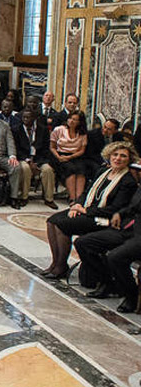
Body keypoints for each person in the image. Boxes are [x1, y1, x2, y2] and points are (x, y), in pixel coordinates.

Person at [45, 142, 139, 280]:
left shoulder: (127, 181)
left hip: (104, 218)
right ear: (109, 156)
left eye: (123, 156)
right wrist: (77, 204)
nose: (118, 158)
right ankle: (55, 263)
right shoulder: (102, 171)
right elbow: (86, 192)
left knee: (63, 224)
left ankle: (61, 266)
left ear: (129, 160)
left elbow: (114, 209)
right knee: (52, 221)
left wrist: (85, 211)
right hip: (87, 209)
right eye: (115, 155)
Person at [74, 159, 141, 313]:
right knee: (83, 243)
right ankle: (108, 281)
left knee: (116, 257)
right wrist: (119, 213)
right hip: (127, 229)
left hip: (138, 235)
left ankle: (131, 295)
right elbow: (133, 207)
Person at [13, 108, 57, 210]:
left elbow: (46, 148)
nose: (25, 119)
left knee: (48, 170)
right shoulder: (16, 129)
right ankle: (24, 197)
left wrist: (38, 162)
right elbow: (16, 148)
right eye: (24, 117)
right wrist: (28, 160)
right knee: (25, 169)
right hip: (23, 158)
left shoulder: (43, 129)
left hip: (39, 158)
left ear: (34, 118)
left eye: (28, 117)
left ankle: (49, 199)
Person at [50, 110, 90, 205]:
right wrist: (59, 157)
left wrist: (70, 157)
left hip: (75, 156)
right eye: (70, 118)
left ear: (80, 122)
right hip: (59, 155)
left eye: (75, 120)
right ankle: (72, 198)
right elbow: (52, 147)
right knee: (70, 169)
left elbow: (82, 150)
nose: (71, 121)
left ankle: (79, 199)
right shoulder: (59, 130)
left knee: (81, 169)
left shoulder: (82, 133)